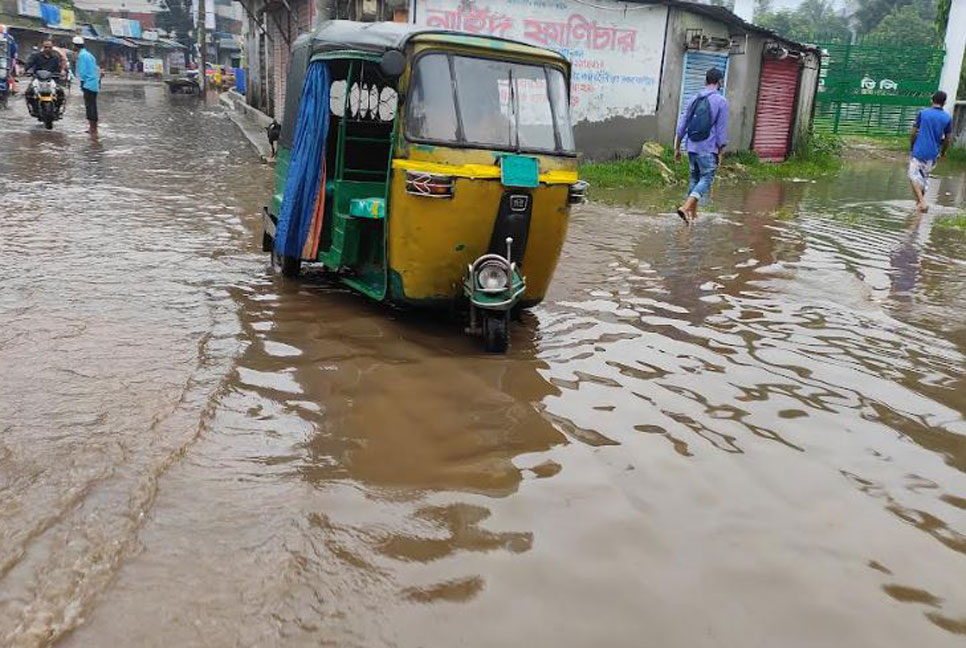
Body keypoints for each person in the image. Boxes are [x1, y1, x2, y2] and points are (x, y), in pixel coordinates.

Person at [674, 68, 729, 224]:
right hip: (708, 148)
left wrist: (677, 148)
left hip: (691, 146)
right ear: (720, 82)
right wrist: (720, 151)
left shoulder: (694, 99)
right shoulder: (721, 101)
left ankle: (692, 216)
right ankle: (685, 208)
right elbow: (721, 131)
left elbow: (682, 124)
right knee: (706, 179)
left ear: (705, 81)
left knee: (694, 179)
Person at [908, 90, 952, 212]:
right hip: (933, 153)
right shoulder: (947, 118)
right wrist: (943, 152)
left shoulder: (922, 113)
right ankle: (919, 206)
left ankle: (922, 202)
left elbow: (913, 132)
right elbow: (948, 138)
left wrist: (912, 146)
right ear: (944, 102)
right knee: (923, 177)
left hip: (919, 150)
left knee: (913, 176)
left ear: (932, 100)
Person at [73, 36, 100, 136]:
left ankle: (93, 129)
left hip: (88, 84)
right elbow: (95, 68)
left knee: (90, 107)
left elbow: (83, 72)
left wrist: (82, 83)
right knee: (93, 106)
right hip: (94, 84)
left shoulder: (82, 56)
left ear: (75, 46)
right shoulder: (89, 55)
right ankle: (93, 128)